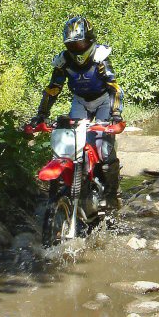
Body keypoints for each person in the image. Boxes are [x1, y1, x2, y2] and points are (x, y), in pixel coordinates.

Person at [31, 15, 124, 210]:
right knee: (71, 145)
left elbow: (114, 87)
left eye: (81, 43)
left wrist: (116, 116)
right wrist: (41, 114)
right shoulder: (64, 60)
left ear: (89, 40)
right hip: (80, 101)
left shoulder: (100, 57)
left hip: (103, 102)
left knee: (104, 150)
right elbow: (53, 88)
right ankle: (77, 187)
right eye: (73, 45)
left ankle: (111, 195)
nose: (77, 48)